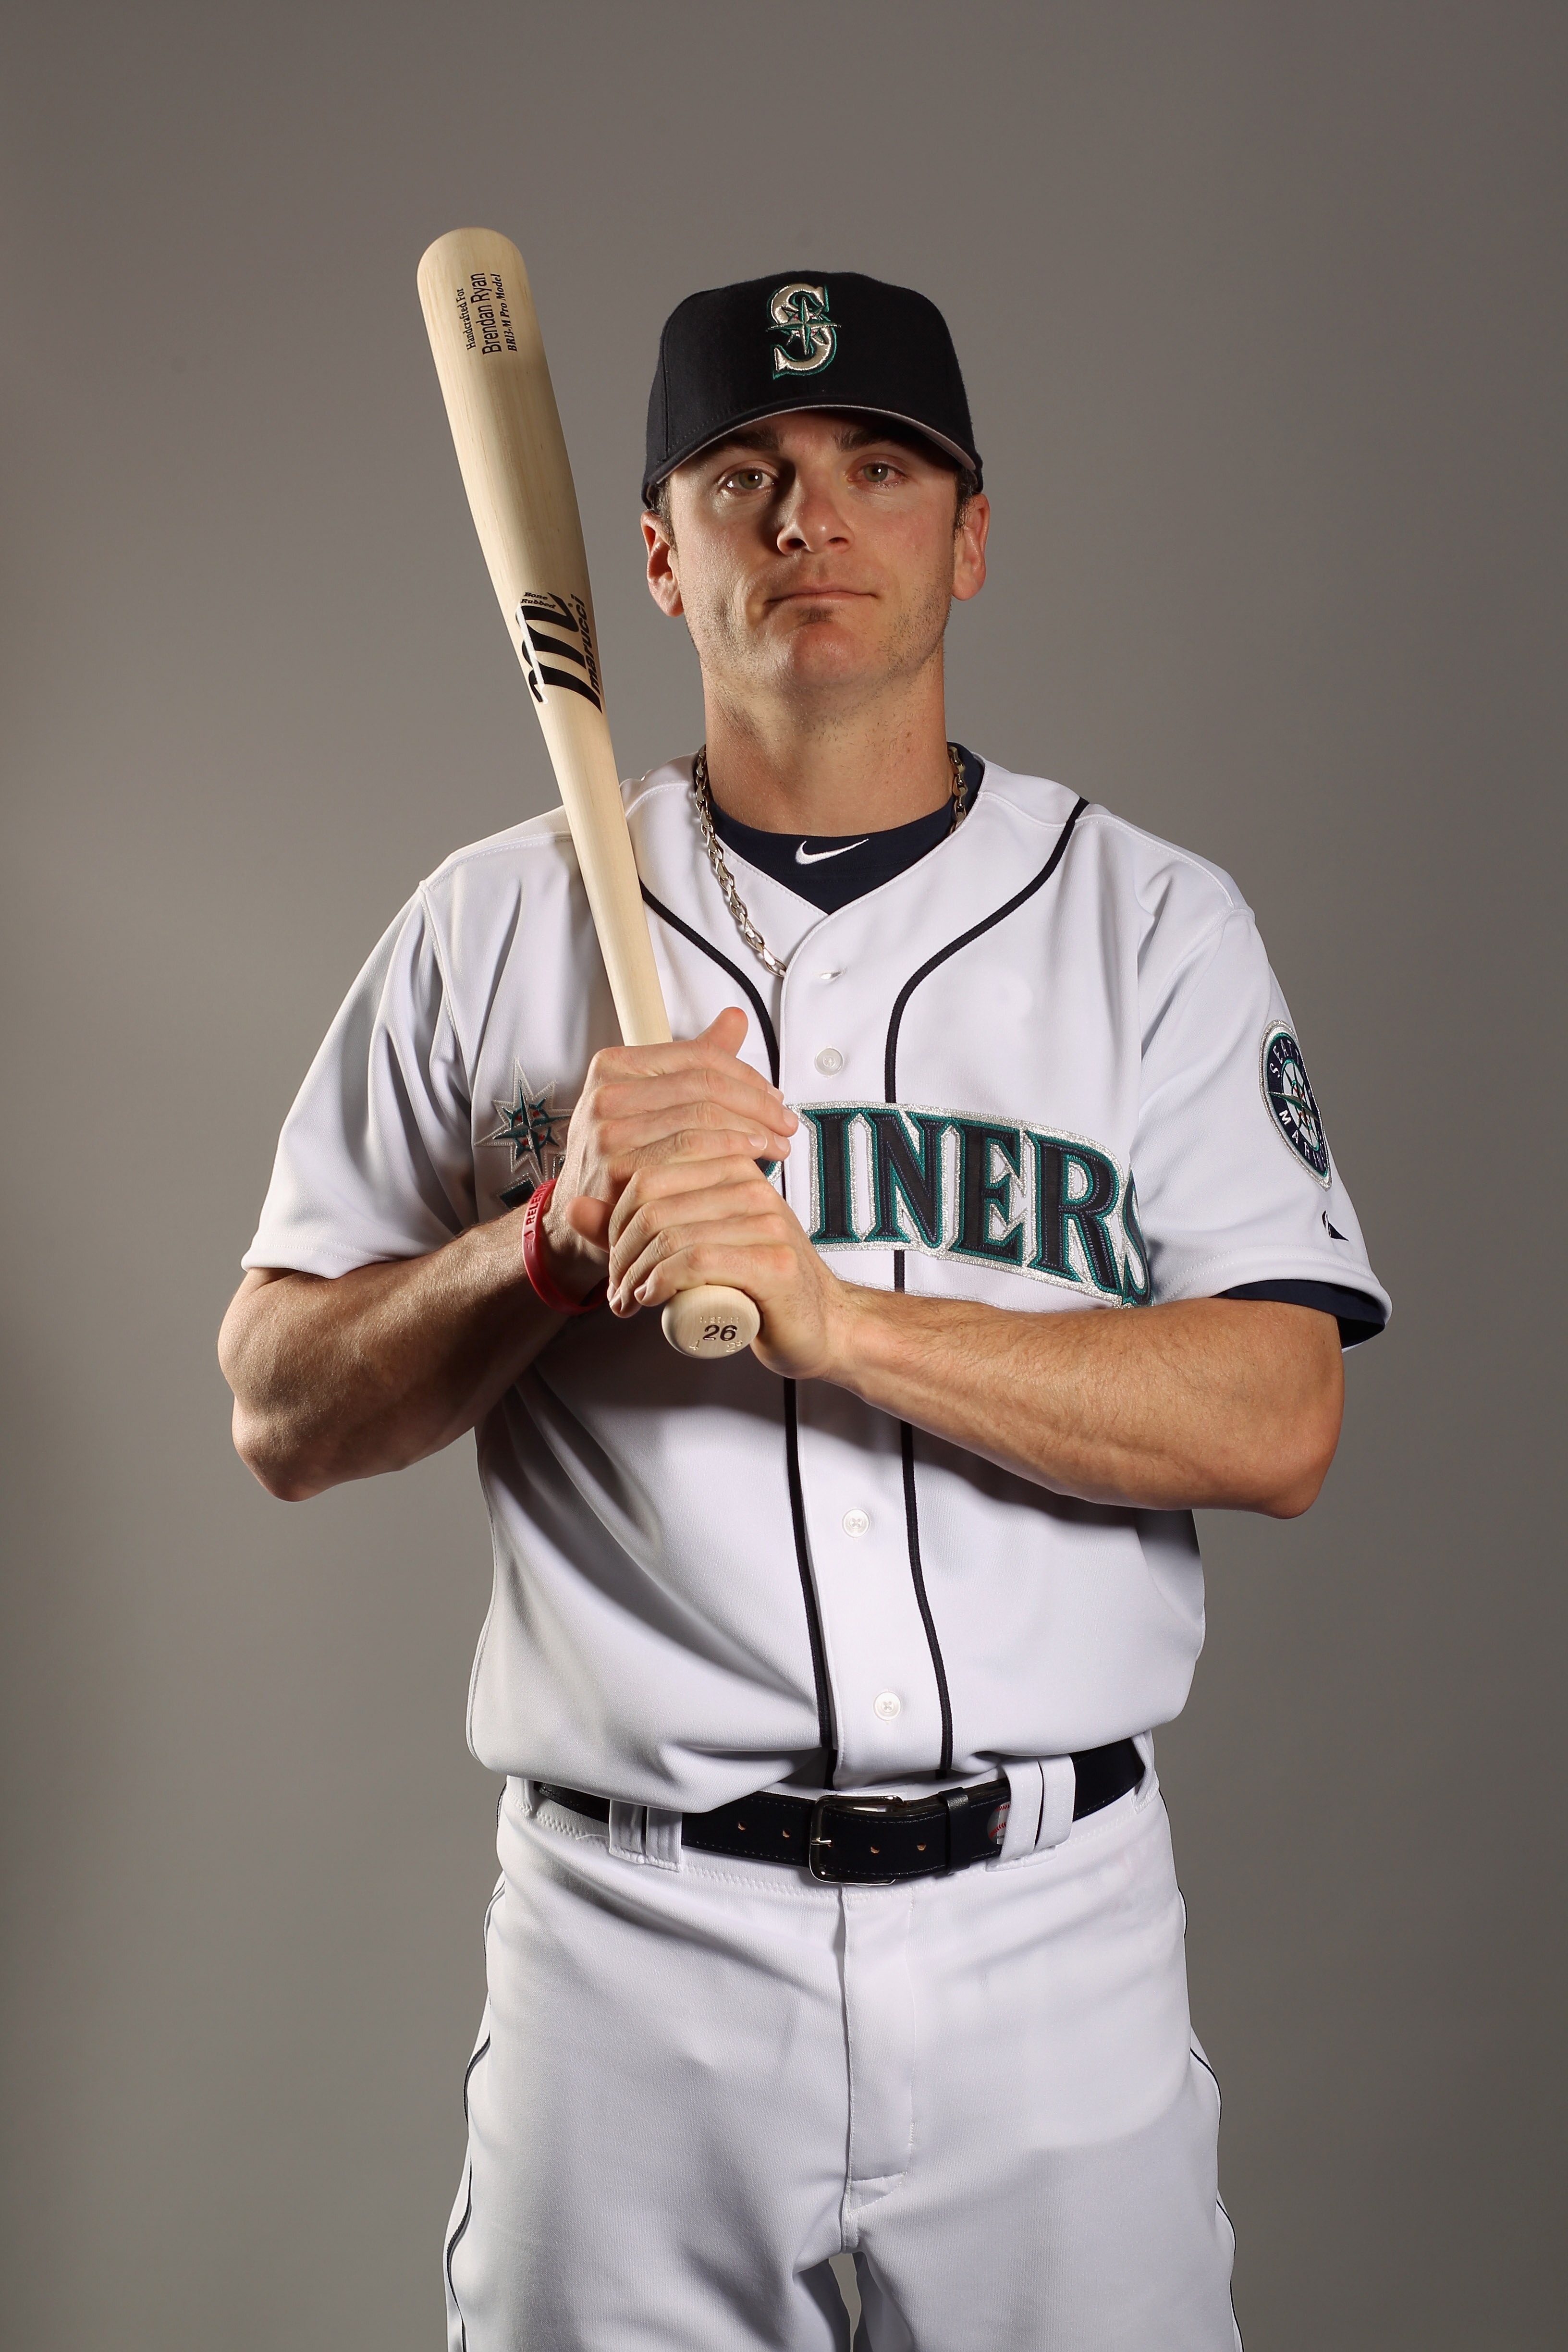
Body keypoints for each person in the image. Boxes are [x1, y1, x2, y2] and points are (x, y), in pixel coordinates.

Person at [220, 270, 1388, 2350]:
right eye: (742, 474)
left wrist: (842, 1322)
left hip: (1054, 1938)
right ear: (658, 557)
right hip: (631, 1946)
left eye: (879, 466)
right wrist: (544, 1246)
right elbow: (282, 1412)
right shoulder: (490, 923)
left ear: (971, 535)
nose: (809, 517)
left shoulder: (1150, 925)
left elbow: (1278, 1414)